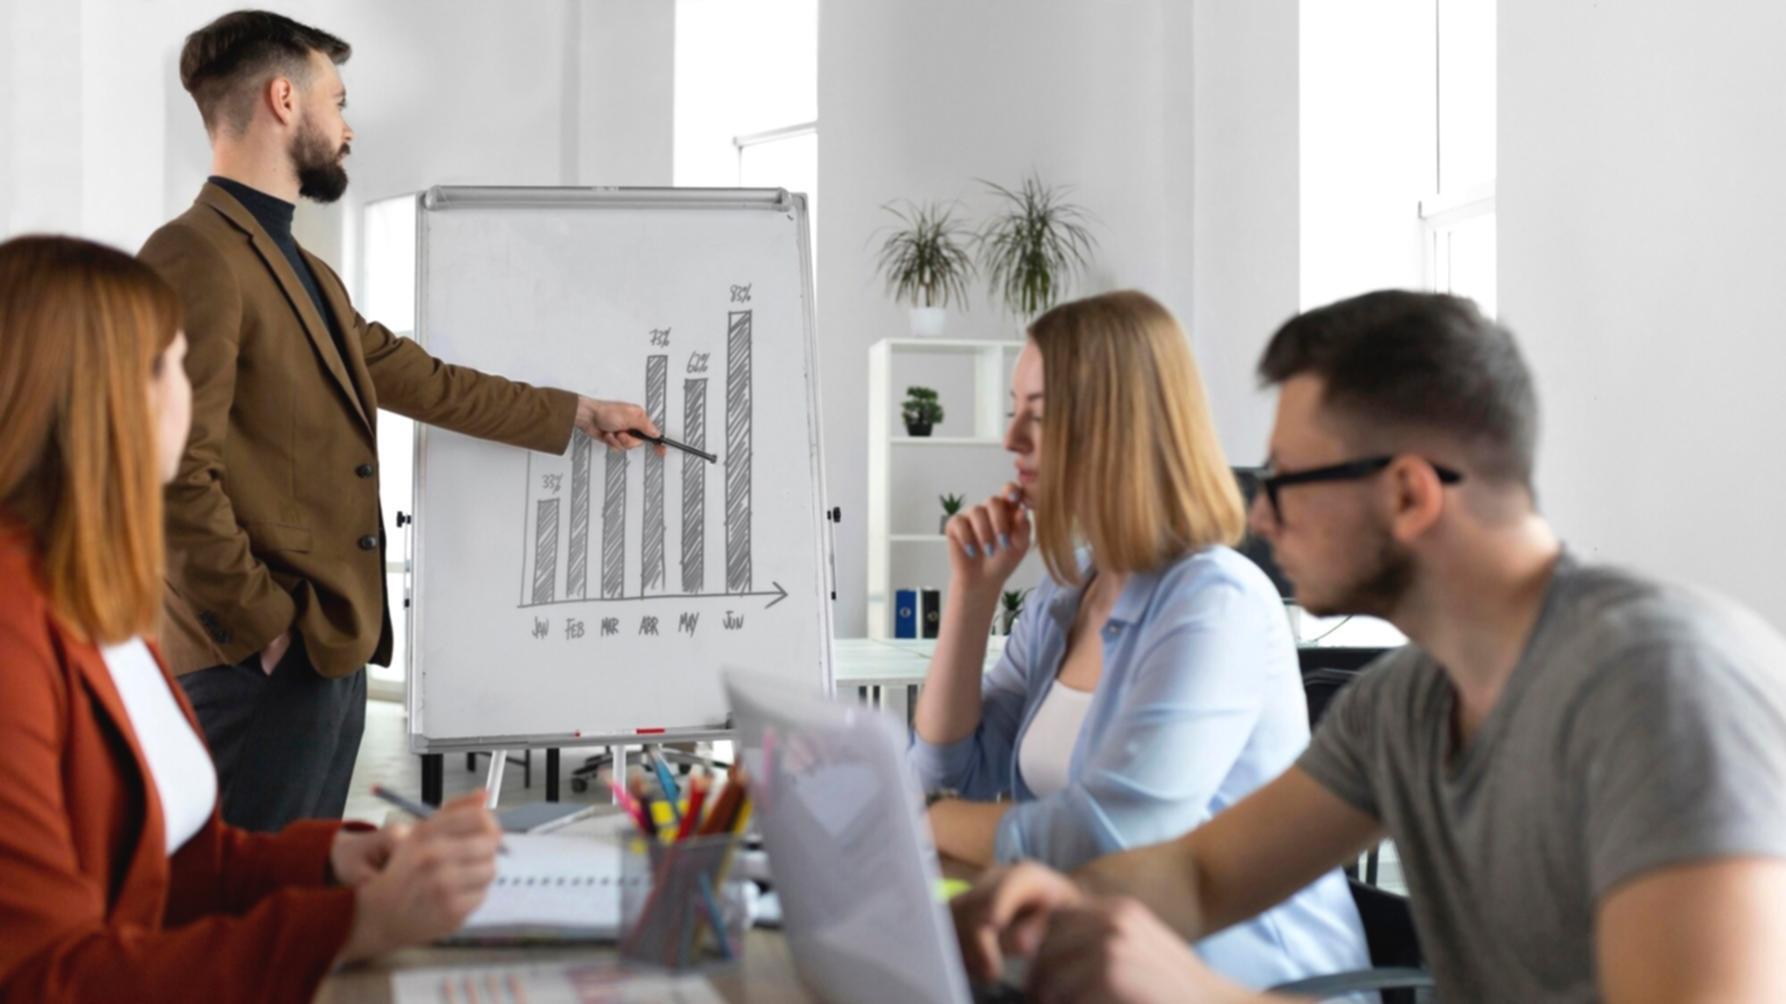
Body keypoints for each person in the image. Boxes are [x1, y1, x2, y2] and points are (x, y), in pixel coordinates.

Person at [951, 290, 1786, 1003]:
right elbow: (1200, 877)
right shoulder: (1412, 702)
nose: (1262, 517)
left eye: (1285, 481)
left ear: (1410, 494)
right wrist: (1033, 901)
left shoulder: (1661, 690)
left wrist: (1199, 992)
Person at [139, 10, 663, 831]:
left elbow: (429, 382)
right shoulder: (193, 256)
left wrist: (580, 414)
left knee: (303, 905)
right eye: (336, 101)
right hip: (263, 659)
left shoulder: (301, 266)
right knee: (246, 913)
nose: (348, 128)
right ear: (284, 100)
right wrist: (268, 629)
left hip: (324, 652)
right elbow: (169, 472)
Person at [0, 234, 503, 1002]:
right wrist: (351, 926)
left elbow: (170, 868)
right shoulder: (13, 628)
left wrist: (333, 864)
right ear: (104, 393)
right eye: (173, 363)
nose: (192, 391)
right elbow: (50, 979)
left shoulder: (95, 595)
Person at [909, 290, 1369, 991]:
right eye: (1014, 412)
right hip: (1094, 970)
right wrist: (971, 599)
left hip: (1244, 981)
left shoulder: (1217, 603)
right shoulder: (1066, 598)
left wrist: (931, 821)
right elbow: (952, 772)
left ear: (1111, 427)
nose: (1012, 442)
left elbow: (1110, 835)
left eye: (1039, 415)